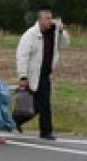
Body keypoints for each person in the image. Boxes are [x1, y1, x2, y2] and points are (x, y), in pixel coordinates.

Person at [16, 9, 70, 140]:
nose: (49, 21)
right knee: (34, 103)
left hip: (45, 73)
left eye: (51, 18)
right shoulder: (30, 35)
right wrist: (23, 76)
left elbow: (65, 45)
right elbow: (22, 56)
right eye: (46, 18)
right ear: (39, 20)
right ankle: (17, 119)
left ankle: (45, 131)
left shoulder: (55, 32)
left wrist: (62, 31)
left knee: (44, 104)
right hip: (32, 73)